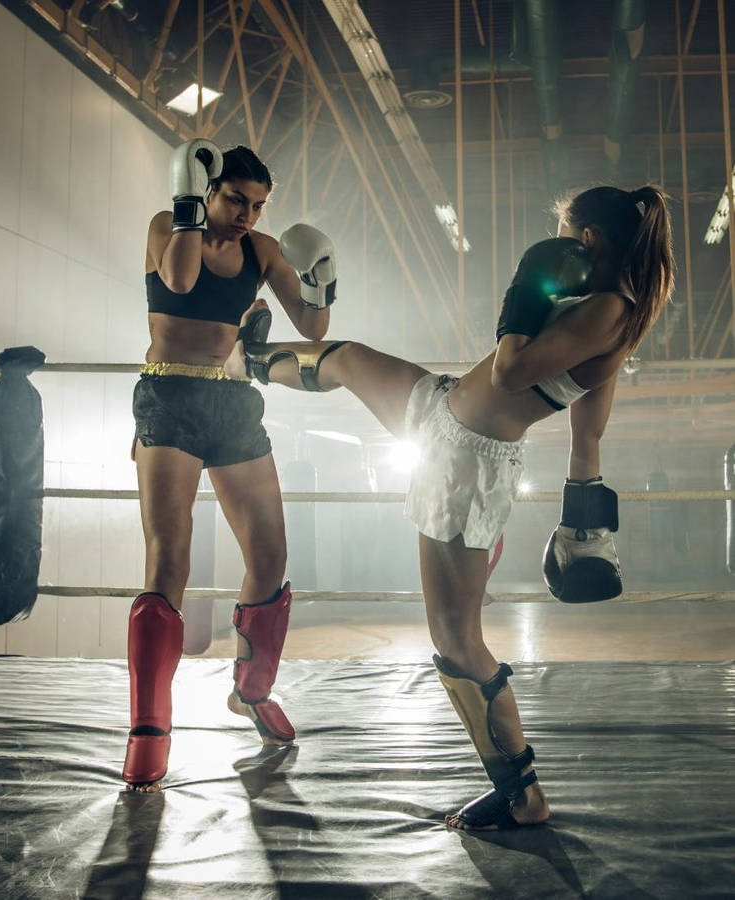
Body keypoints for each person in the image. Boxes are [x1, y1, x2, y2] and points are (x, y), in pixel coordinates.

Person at [223, 185, 674, 829]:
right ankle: (252, 362)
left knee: (456, 638)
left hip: (466, 458)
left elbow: (511, 372)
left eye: (569, 234)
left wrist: (525, 288)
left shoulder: (607, 310)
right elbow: (587, 433)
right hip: (439, 409)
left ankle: (522, 794)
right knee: (347, 359)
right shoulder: (605, 309)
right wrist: (583, 525)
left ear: (590, 240)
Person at [124, 139, 338, 792]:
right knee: (170, 562)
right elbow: (183, 281)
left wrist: (322, 273)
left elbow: (314, 325)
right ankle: (148, 730)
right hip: (169, 396)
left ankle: (250, 690)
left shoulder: (263, 251)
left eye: (258, 205)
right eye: (237, 200)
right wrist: (188, 202)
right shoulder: (169, 227)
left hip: (231, 401)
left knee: (270, 559)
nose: (248, 215)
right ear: (208, 191)